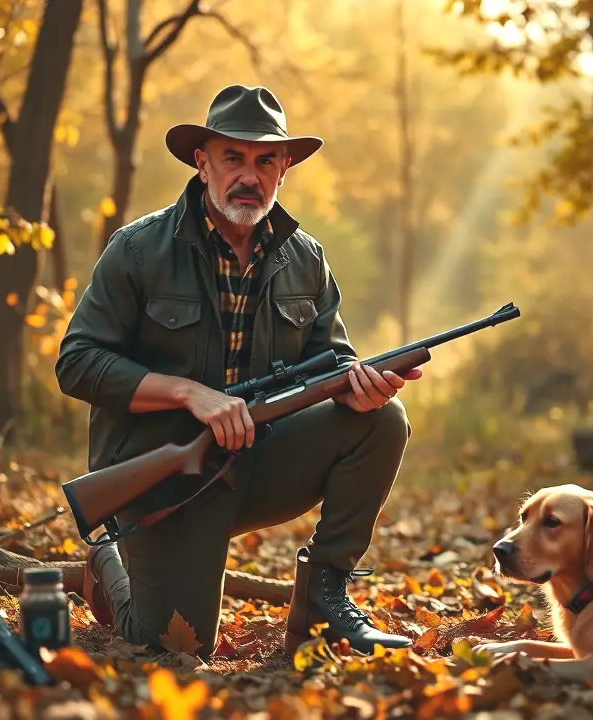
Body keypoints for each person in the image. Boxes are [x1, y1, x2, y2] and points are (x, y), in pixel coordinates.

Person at [55, 84, 421, 658]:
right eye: (233, 158)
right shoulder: (138, 249)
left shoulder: (306, 258)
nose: (249, 176)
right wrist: (189, 395)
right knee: (175, 646)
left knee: (384, 420)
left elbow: (332, 361)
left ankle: (325, 598)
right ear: (202, 164)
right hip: (161, 481)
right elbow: (76, 363)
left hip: (255, 463)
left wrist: (359, 388)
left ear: (284, 170)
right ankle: (107, 562)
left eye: (265, 161)